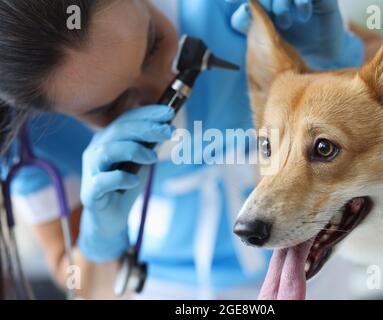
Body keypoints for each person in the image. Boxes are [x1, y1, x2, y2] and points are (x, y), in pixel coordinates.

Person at [0, 0, 363, 299]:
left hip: (313, 273)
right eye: (110, 106)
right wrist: (100, 237)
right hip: (159, 288)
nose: (164, 87)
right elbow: (89, 288)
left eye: (154, 43)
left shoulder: (232, 11)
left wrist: (332, 61)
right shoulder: (31, 143)